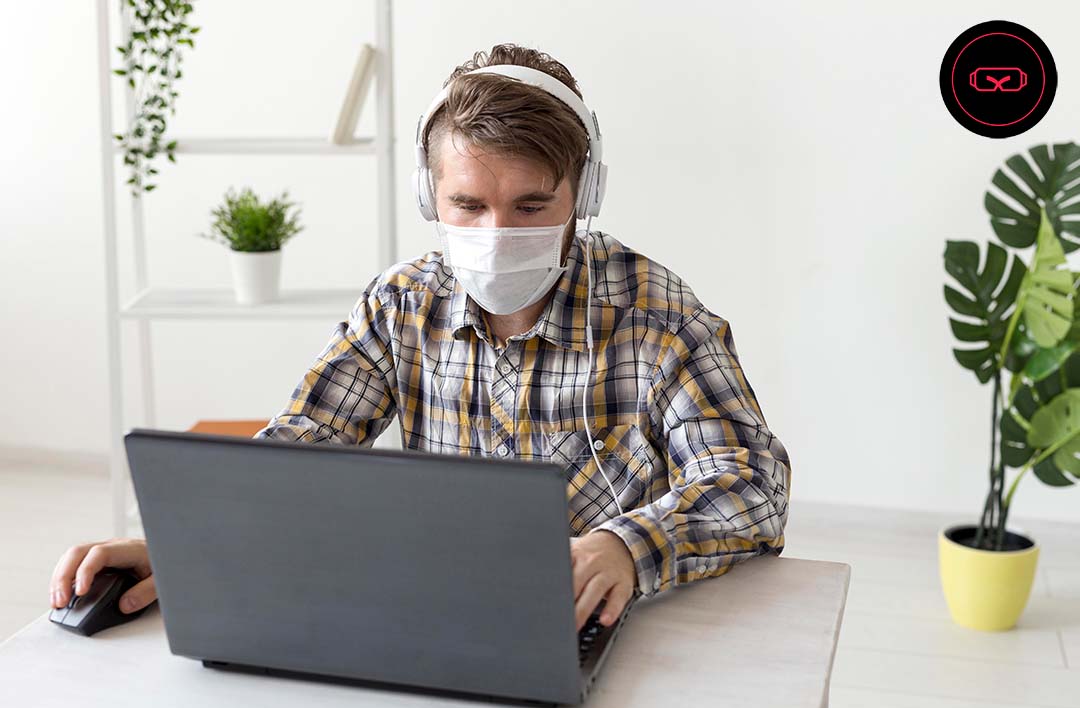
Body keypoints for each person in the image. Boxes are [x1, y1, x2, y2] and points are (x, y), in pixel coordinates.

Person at [49, 43, 792, 634]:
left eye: (533, 205)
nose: (498, 235)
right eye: (467, 204)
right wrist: (183, 541)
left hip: (600, 624)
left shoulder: (659, 317)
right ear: (426, 194)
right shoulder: (401, 303)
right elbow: (307, 442)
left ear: (585, 194)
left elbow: (753, 483)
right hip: (434, 612)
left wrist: (629, 546)